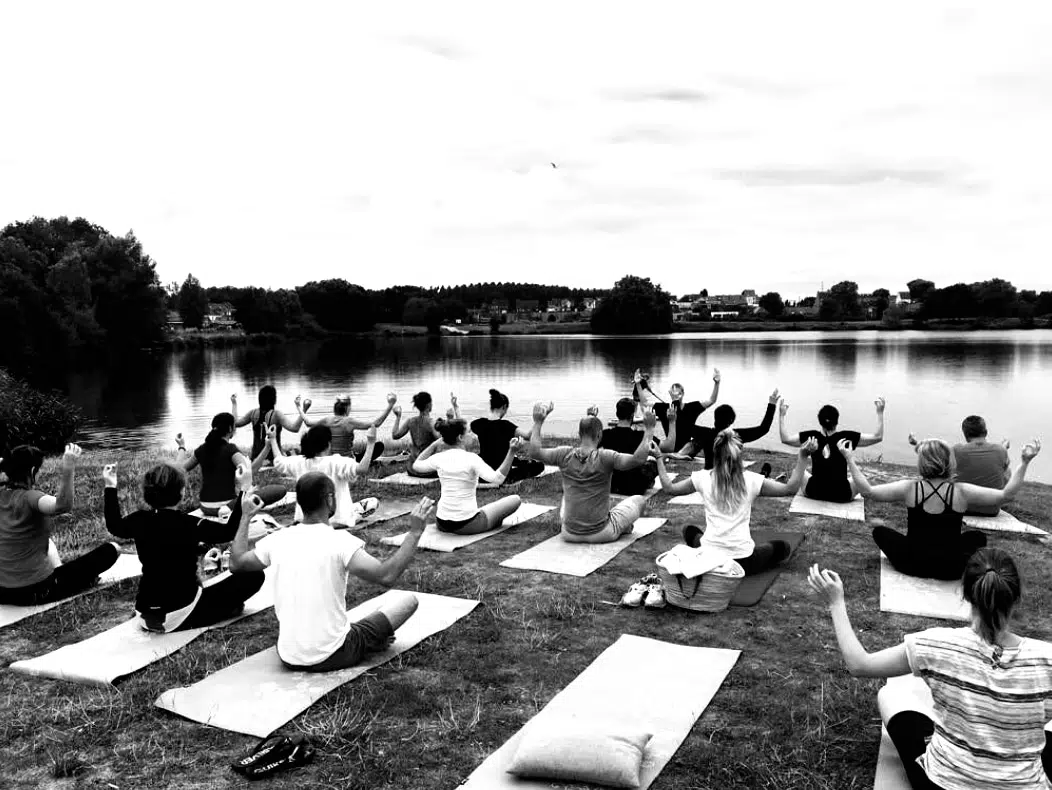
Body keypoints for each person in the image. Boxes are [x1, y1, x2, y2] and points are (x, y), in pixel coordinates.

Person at [808, 548, 1052, 790]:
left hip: (942, 784)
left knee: (890, 695)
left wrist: (836, 602)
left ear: (966, 595)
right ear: (1016, 597)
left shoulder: (937, 644)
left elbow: (860, 664)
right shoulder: (1046, 657)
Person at [228, 474, 431, 673]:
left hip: (289, 656)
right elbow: (386, 576)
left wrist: (246, 517)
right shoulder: (341, 542)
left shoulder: (278, 539)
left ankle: (366, 637)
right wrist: (414, 532)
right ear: (329, 499)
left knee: (355, 620)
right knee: (408, 601)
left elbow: (236, 563)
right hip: (335, 654)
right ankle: (370, 641)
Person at [840, 437, 1040, 581]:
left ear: (922, 463)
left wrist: (849, 459)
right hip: (951, 569)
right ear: (949, 462)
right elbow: (1006, 495)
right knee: (978, 537)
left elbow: (867, 491)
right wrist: (1024, 462)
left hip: (912, 563)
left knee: (880, 532)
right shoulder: (962, 491)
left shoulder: (910, 488)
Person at [103, 461, 265, 632]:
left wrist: (110, 485)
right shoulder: (188, 524)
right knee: (254, 576)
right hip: (181, 614)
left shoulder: (139, 520)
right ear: (181, 492)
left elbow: (114, 525)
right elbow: (229, 532)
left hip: (145, 613)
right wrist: (244, 489)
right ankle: (219, 610)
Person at [655, 431, 817, 575]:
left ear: (715, 454)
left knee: (688, 530)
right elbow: (789, 488)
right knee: (783, 547)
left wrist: (658, 458)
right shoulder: (751, 480)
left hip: (708, 558)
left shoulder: (702, 478)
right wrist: (803, 456)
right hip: (743, 563)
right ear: (739, 457)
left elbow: (669, 488)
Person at [0, 444, 120, 606]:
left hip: (3, 592)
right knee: (113, 549)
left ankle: (60, 573)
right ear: (33, 471)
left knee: (49, 542)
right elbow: (62, 505)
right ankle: (64, 582)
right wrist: (68, 467)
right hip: (35, 591)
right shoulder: (31, 498)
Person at [527, 403, 655, 544]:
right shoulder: (605, 457)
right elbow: (638, 459)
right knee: (639, 501)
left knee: (566, 497)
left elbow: (535, 452)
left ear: (579, 435)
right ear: (599, 435)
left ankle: (619, 526)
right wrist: (649, 429)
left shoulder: (564, 454)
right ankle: (622, 527)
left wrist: (538, 422)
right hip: (601, 533)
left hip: (569, 533)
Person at [411, 418, 522, 534]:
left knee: (487, 509)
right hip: (468, 525)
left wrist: (435, 444)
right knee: (515, 500)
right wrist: (512, 451)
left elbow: (416, 465)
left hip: (442, 523)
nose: (473, 435)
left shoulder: (439, 458)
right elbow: (498, 479)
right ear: (460, 437)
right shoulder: (472, 459)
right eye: (469, 432)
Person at [264, 423, 376, 529]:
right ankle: (354, 513)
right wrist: (371, 443)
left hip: (304, 520)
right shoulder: (337, 462)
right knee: (373, 502)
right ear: (328, 444)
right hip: (337, 521)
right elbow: (362, 469)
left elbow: (279, 462)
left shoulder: (299, 462)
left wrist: (273, 440)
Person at [175, 413, 286, 515]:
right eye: (234, 426)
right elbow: (249, 471)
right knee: (280, 490)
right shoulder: (230, 450)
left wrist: (181, 446)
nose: (235, 429)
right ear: (229, 429)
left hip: (205, 507)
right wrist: (267, 447)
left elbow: (179, 469)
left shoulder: (202, 449)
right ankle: (229, 509)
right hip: (227, 506)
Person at [779, 397, 885, 502]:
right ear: (837, 421)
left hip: (814, 491)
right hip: (842, 494)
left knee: (799, 472)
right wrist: (880, 412)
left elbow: (785, 439)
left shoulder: (811, 437)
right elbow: (877, 437)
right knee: (858, 478)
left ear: (820, 421)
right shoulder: (846, 437)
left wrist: (782, 415)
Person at [661, 388, 779, 470]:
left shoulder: (705, 434)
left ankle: (680, 453)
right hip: (730, 478)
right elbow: (763, 429)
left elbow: (682, 424)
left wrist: (675, 401)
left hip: (710, 476)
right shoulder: (737, 435)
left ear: (715, 419)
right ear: (732, 421)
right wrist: (772, 404)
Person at [470, 389, 545, 484]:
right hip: (503, 472)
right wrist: (538, 420)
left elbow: (461, 428)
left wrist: (456, 409)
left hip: (486, 470)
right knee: (538, 466)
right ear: (504, 407)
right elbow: (528, 436)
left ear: (491, 406)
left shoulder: (478, 423)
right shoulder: (506, 425)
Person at [297, 392, 395, 463]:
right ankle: (363, 461)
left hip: (331, 459)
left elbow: (308, 422)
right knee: (379, 446)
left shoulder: (327, 420)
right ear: (347, 408)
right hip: (348, 461)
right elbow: (376, 423)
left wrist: (299, 407)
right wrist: (391, 404)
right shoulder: (349, 422)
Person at [647, 369, 721, 452]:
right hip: (668, 447)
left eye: (679, 393)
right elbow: (644, 404)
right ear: (670, 393)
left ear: (683, 394)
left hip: (686, 449)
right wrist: (639, 385)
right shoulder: (664, 408)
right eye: (674, 392)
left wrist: (717, 383)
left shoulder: (691, 407)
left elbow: (711, 400)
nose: (677, 395)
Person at [950, 416, 1011, 517]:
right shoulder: (1001, 450)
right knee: (1006, 468)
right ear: (985, 432)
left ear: (965, 434)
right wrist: (1003, 449)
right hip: (991, 509)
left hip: (961, 507)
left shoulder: (956, 450)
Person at [597, 398, 658, 495]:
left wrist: (592, 418)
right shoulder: (640, 436)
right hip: (634, 486)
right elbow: (670, 446)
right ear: (632, 416)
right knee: (653, 461)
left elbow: (589, 446)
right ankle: (649, 482)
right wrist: (671, 422)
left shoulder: (605, 434)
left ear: (617, 414)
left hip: (612, 484)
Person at [232, 386, 304, 462]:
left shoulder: (253, 413)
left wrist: (234, 403)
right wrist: (303, 410)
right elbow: (294, 428)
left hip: (256, 458)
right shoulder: (276, 414)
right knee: (294, 452)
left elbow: (235, 423)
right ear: (274, 399)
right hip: (274, 459)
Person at [391, 392, 443, 478]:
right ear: (429, 405)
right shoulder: (431, 422)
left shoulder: (410, 421)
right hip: (428, 471)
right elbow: (442, 440)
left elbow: (395, 435)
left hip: (412, 469)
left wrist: (398, 417)